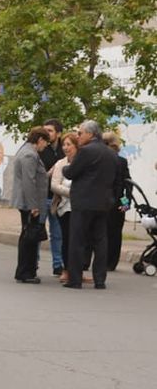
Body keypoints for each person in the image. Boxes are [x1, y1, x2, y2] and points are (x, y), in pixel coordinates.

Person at [61, 120, 118, 290]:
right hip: (103, 203)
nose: (78, 136)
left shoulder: (86, 151)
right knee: (100, 241)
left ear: (90, 134)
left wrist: (65, 167)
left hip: (84, 202)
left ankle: (75, 279)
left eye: (80, 133)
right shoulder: (110, 153)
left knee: (78, 240)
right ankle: (100, 280)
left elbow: (71, 173)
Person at [7, 127, 52, 284]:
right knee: (29, 238)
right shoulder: (29, 155)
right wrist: (34, 206)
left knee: (28, 236)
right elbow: (29, 181)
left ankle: (26, 270)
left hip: (28, 202)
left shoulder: (26, 151)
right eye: (46, 142)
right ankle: (26, 272)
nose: (45, 146)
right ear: (40, 140)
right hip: (29, 203)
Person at [49, 132, 80, 284]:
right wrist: (72, 193)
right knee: (66, 238)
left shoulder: (82, 162)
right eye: (64, 145)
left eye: (69, 145)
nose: (66, 148)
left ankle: (77, 270)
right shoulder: (60, 163)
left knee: (79, 240)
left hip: (80, 207)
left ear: (76, 146)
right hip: (64, 207)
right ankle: (66, 269)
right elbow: (54, 185)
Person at [103, 131, 132, 272]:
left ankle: (105, 261)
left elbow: (126, 183)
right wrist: (126, 203)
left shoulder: (116, 161)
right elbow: (127, 184)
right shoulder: (121, 161)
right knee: (114, 233)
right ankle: (110, 262)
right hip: (117, 202)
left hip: (105, 201)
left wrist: (126, 203)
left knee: (105, 232)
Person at [41, 118, 66, 275]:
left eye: (50, 130)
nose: (47, 133)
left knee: (57, 233)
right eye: (45, 130)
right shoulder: (42, 149)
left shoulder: (65, 149)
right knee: (38, 231)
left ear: (58, 133)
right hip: (43, 196)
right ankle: (34, 263)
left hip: (58, 197)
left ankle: (58, 264)